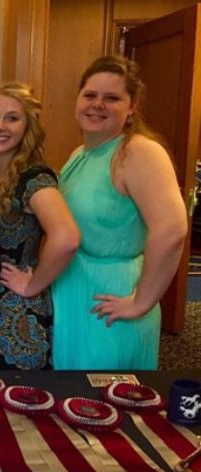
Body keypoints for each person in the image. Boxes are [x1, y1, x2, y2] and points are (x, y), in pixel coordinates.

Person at [52, 56, 186, 370]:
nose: (97, 104)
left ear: (132, 106)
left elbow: (172, 230)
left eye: (112, 98)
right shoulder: (79, 154)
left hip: (111, 300)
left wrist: (142, 301)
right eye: (90, 95)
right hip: (73, 291)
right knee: (70, 394)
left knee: (106, 400)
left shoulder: (139, 151)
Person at [0, 83, 80, 370]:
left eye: (12, 118)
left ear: (28, 126)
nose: (0, 126)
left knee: (18, 405)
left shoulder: (34, 178)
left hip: (18, 313)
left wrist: (33, 284)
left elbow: (67, 238)